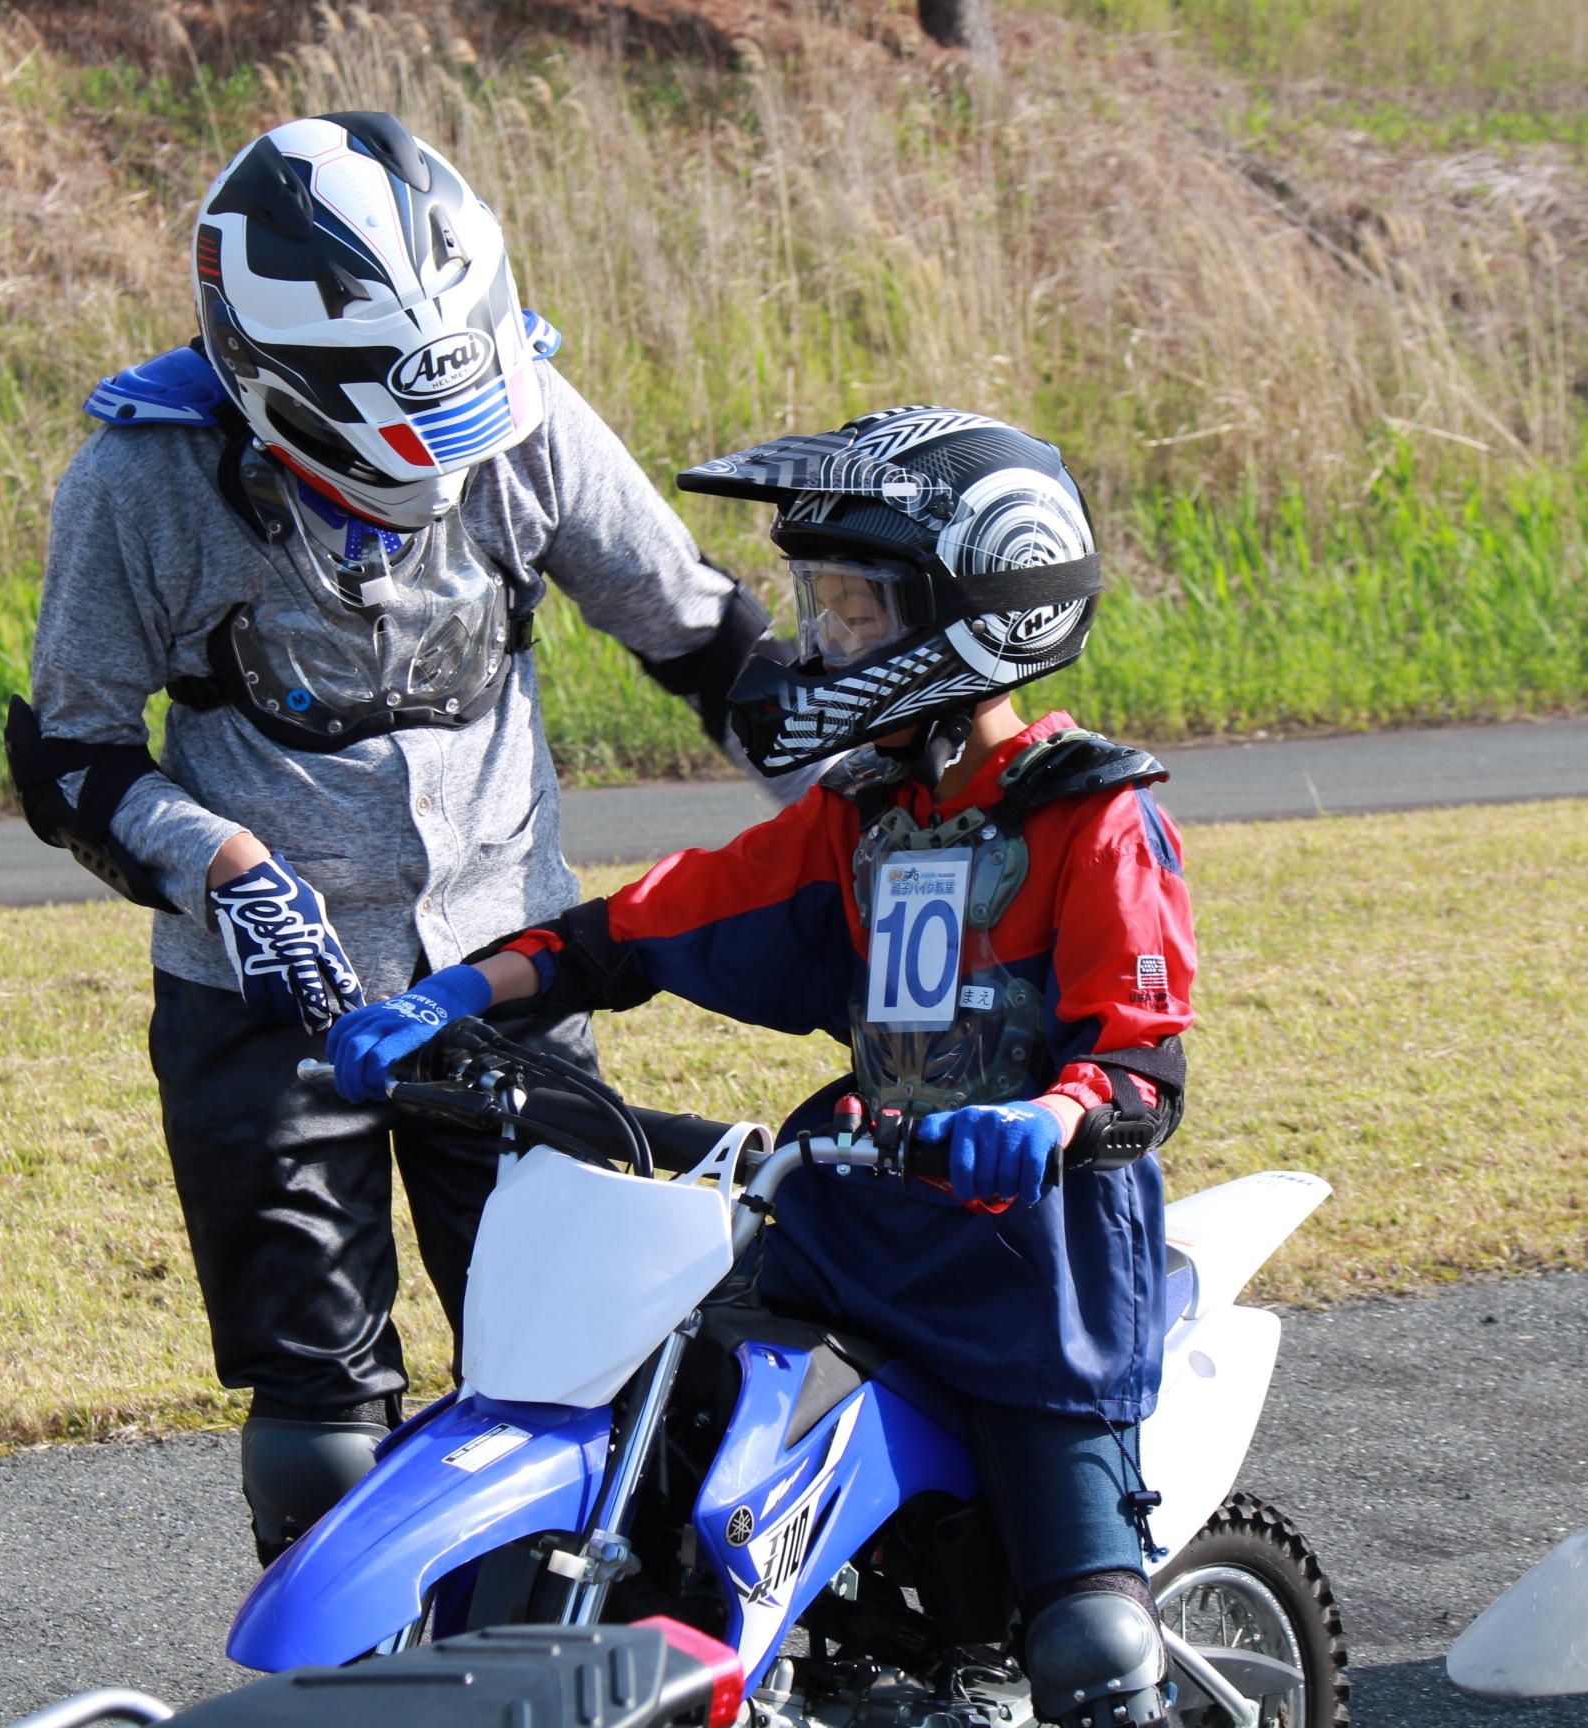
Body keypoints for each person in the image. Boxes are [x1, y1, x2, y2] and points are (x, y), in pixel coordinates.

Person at [329, 406, 1195, 1728]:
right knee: (677, 1434)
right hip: (851, 1222)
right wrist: (455, 994)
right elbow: (640, 926)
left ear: (980, 610)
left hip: (1035, 1272)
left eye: (856, 612)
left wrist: (1053, 1114)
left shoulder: (1091, 815)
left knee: (1091, 1650)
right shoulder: (863, 817)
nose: (826, 641)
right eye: (825, 609)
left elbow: (1138, 1059)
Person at [5, 112, 793, 1563]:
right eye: (394, 428)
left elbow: (700, 636)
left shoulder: (531, 422)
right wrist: (223, 866)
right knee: (324, 1426)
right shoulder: (142, 479)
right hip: (260, 1009)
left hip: (504, 980)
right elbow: (71, 754)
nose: (441, 463)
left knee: (584, 1369)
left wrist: (869, 818)